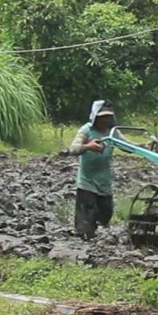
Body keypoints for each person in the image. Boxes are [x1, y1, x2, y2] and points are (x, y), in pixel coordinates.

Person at [69, 100, 116, 239]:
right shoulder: (86, 130)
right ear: (95, 116)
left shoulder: (112, 132)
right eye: (102, 117)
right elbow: (73, 149)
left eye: (108, 117)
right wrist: (88, 146)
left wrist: (146, 145)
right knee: (86, 222)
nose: (105, 120)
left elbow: (129, 147)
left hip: (104, 183)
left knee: (105, 218)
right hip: (87, 183)